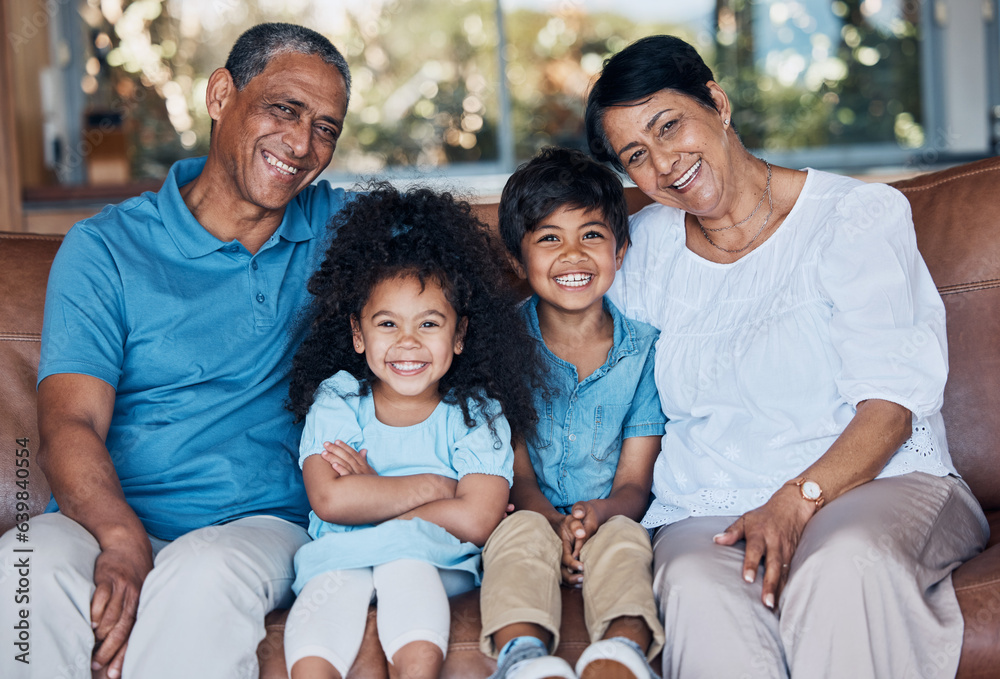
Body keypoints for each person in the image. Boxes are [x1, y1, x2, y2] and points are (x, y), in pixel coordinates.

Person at [582, 35, 991, 679]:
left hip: (876, 482)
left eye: (669, 126)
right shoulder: (643, 253)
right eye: (637, 154)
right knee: (692, 583)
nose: (664, 164)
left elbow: (891, 406)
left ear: (716, 102)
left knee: (843, 564)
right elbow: (594, 377)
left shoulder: (854, 217)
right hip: (708, 507)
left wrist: (798, 500)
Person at [0, 23, 364, 679]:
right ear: (221, 94)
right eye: (285, 108)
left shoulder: (340, 232)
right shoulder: (105, 249)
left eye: (327, 128)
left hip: (257, 522)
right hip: (102, 512)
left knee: (204, 574)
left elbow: (472, 250)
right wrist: (118, 537)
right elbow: (69, 424)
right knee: (25, 564)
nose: (303, 144)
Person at [282, 184, 543, 679]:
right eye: (387, 324)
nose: (407, 343)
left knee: (408, 570)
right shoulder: (338, 399)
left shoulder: (477, 411)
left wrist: (374, 494)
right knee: (325, 598)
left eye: (428, 324)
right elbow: (332, 502)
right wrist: (435, 487)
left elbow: (479, 518)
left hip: (431, 559)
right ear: (358, 335)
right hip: (341, 555)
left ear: (459, 335)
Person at [478, 147, 666, 679]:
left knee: (628, 543)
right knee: (516, 540)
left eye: (591, 235)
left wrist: (598, 516)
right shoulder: (501, 345)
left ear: (620, 249)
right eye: (549, 238)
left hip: (610, 515)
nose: (573, 254)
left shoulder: (644, 352)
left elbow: (634, 483)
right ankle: (523, 659)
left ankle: (623, 653)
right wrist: (553, 521)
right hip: (526, 507)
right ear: (518, 259)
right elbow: (514, 471)